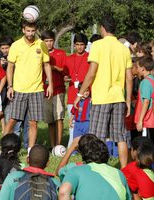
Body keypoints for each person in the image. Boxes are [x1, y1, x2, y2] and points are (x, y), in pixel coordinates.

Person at [74, 15, 133, 168]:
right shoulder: (124, 48)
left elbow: (92, 73)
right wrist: (127, 101)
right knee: (121, 137)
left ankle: (96, 167)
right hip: (118, 98)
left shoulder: (98, 46)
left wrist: (80, 94)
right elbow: (129, 78)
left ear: (103, 28)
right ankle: (124, 169)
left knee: (96, 136)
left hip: (101, 98)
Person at [4, 21, 53, 153]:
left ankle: (31, 151)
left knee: (33, 123)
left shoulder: (41, 44)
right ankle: (3, 149)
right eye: (28, 31)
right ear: (23, 30)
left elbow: (47, 65)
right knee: (12, 120)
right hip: (19, 89)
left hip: (37, 90)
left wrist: (50, 84)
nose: (30, 34)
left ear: (35, 30)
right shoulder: (16, 45)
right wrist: (10, 86)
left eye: (32, 31)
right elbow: (10, 66)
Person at [58, 134, 131, 200]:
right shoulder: (119, 173)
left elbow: (63, 191)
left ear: (81, 153)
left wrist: (71, 147)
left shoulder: (75, 170)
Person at [41, 30, 66, 148]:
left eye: (51, 41)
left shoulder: (61, 53)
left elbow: (65, 71)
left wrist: (54, 67)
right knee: (50, 120)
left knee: (59, 118)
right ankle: (52, 145)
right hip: (45, 91)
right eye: (46, 41)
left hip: (58, 89)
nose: (49, 43)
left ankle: (59, 145)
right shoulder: (39, 53)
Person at [64, 33, 90, 147]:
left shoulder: (90, 58)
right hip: (72, 96)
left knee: (87, 123)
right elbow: (64, 74)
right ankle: (72, 146)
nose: (79, 47)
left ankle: (85, 146)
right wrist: (65, 77)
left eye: (82, 44)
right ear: (74, 45)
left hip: (86, 96)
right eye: (77, 44)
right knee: (73, 123)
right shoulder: (69, 58)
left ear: (85, 45)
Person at [0, 35, 14, 135]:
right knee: (1, 110)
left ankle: (4, 131)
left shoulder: (12, 55)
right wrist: (1, 65)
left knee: (4, 110)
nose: (5, 50)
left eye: (7, 48)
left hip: (6, 87)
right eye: (3, 48)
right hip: (0, 87)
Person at [134, 56, 154, 140]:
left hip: (147, 120)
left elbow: (146, 101)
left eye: (137, 67)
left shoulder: (145, 82)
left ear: (143, 69)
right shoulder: (152, 79)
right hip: (151, 119)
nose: (136, 69)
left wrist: (140, 120)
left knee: (146, 145)